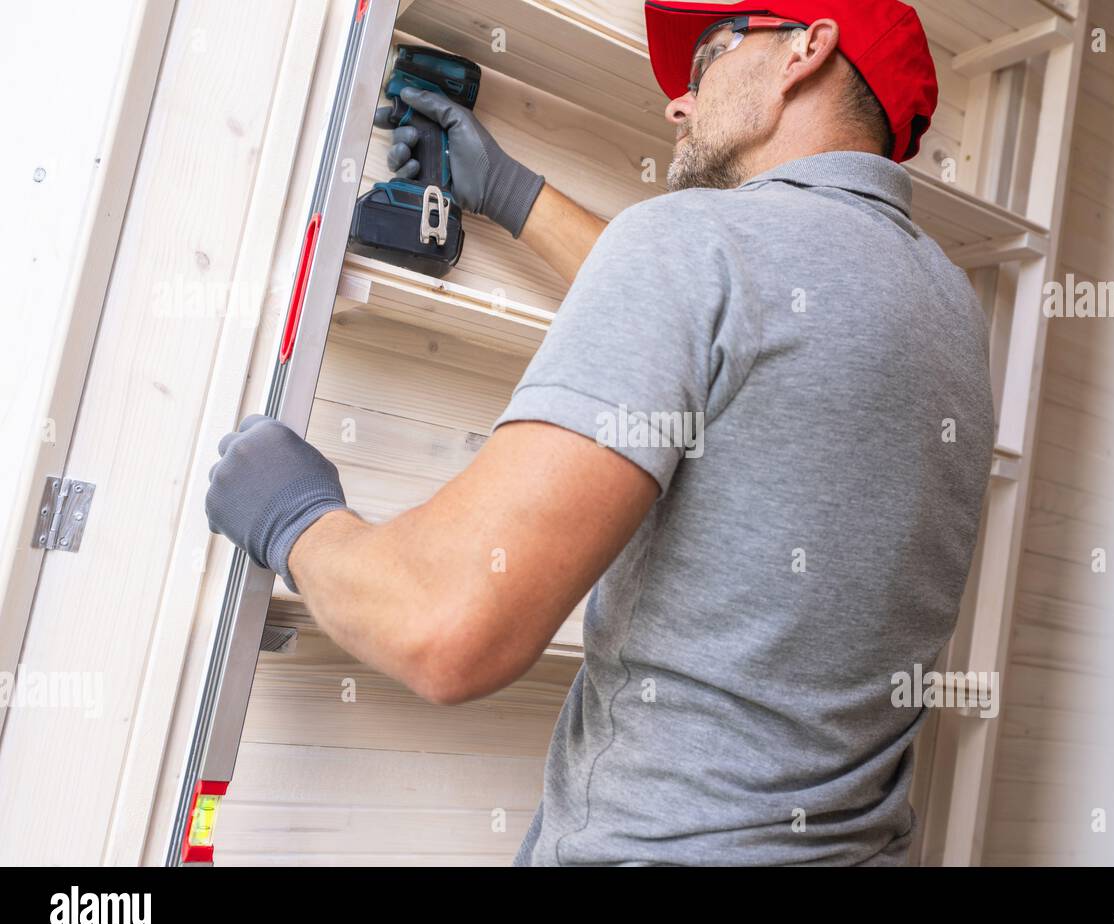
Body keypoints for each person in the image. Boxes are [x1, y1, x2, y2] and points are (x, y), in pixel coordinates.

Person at [206, 0, 995, 866]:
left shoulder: (699, 250)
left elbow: (447, 627)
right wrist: (513, 195)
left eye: (706, 58)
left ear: (804, 51)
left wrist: (293, 515)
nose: (678, 103)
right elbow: (733, 332)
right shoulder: (948, 311)